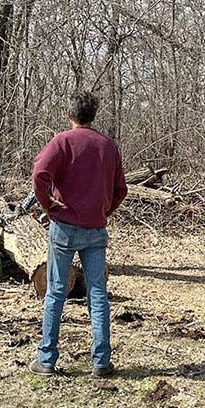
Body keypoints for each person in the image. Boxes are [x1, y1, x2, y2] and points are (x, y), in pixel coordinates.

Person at [30, 91, 127, 377]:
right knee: (97, 294)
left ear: (69, 115)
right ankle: (101, 361)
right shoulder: (107, 146)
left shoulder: (62, 142)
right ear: (93, 115)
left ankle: (46, 360)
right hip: (95, 228)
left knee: (56, 291)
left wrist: (48, 206)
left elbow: (39, 174)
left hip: (64, 226)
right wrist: (104, 210)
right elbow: (121, 189)